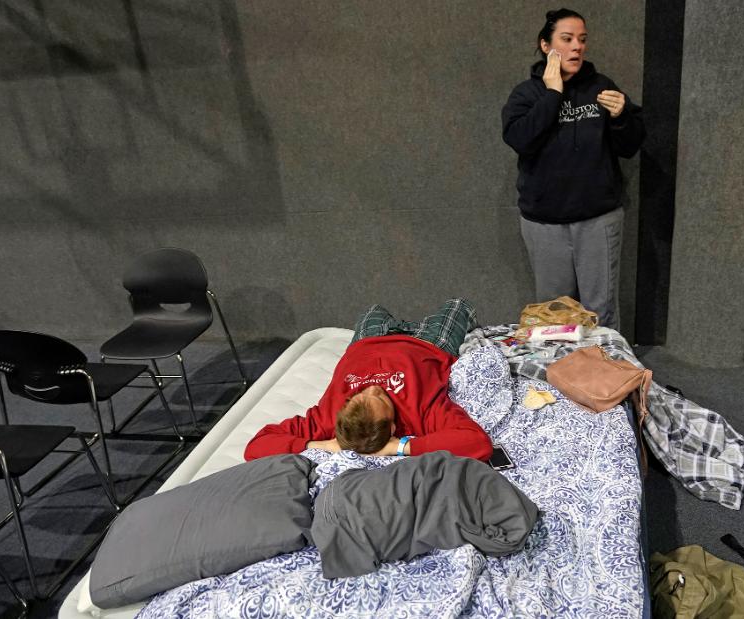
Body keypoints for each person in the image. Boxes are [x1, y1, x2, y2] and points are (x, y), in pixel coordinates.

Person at [502, 8, 645, 330]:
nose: (577, 47)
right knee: (554, 314)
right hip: (545, 222)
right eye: (566, 39)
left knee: (601, 310)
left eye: (582, 40)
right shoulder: (527, 94)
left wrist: (622, 117)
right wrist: (553, 93)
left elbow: (630, 146)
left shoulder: (602, 86)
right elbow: (520, 139)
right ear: (545, 45)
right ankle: (560, 377)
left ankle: (607, 376)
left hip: (598, 218)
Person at [243, 298, 493, 462]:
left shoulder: (326, 417)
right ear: (393, 427)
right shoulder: (421, 414)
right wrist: (400, 447)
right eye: (380, 398)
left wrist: (319, 444)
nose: (373, 387)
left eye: (358, 396)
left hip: (368, 341)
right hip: (430, 344)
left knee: (374, 309)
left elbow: (256, 445)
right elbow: (476, 443)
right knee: (459, 305)